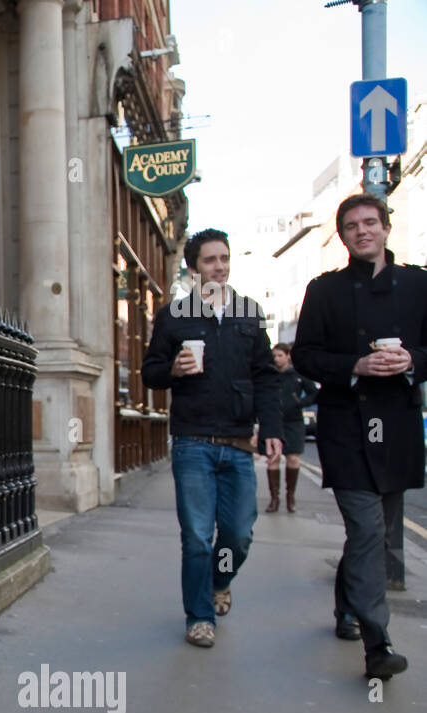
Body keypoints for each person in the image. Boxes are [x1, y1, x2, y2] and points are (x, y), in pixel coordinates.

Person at [292, 193, 425, 680]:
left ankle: (346, 605)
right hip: (346, 427)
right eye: (351, 226)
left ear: (386, 228)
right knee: (368, 531)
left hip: (398, 427)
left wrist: (412, 361)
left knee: (376, 534)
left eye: (370, 222)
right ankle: (378, 644)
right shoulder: (324, 290)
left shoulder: (418, 283)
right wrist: (355, 365)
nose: (362, 231)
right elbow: (305, 355)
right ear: (342, 236)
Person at [142, 228, 282, 649]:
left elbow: (266, 377)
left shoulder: (248, 314)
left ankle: (221, 580)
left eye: (224, 258)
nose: (219, 267)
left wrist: (272, 429)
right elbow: (150, 371)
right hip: (193, 442)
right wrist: (174, 371)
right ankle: (199, 616)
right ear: (193, 267)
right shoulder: (173, 316)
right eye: (209, 260)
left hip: (239, 443)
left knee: (238, 534)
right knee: (198, 536)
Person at [257, 342, 318, 513]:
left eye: (280, 355)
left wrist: (299, 403)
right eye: (274, 356)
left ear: (288, 356)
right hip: (273, 421)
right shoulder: (269, 373)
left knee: (293, 458)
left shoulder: (297, 374)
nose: (276, 359)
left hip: (293, 422)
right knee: (272, 459)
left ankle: (290, 497)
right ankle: (274, 499)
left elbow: (314, 393)